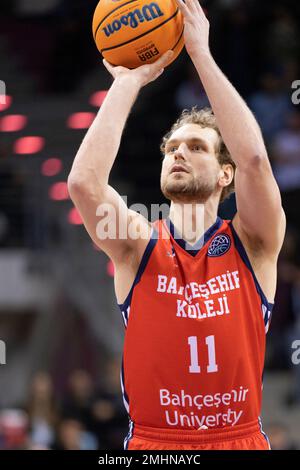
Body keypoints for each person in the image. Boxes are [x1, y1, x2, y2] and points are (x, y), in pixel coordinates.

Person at [68, 0, 286, 450]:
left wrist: (201, 54)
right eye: (171, 149)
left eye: (196, 147)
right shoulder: (136, 245)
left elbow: (255, 160)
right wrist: (128, 81)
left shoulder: (254, 242)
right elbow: (84, 185)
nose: (179, 153)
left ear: (224, 174)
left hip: (237, 439)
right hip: (155, 444)